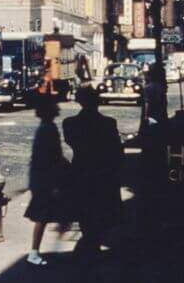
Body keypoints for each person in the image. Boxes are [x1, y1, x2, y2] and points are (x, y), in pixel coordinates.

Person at [62, 86, 122, 256]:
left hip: (81, 169)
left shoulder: (70, 123)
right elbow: (116, 149)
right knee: (101, 210)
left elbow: (71, 141)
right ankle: (93, 244)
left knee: (85, 210)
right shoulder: (109, 123)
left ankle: (89, 243)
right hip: (103, 171)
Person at [24, 97, 69, 266]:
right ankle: (35, 252)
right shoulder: (48, 130)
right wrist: (55, 184)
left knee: (49, 215)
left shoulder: (46, 128)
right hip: (46, 181)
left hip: (41, 179)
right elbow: (50, 158)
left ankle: (51, 249)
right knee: (43, 216)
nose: (58, 108)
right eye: (54, 105)